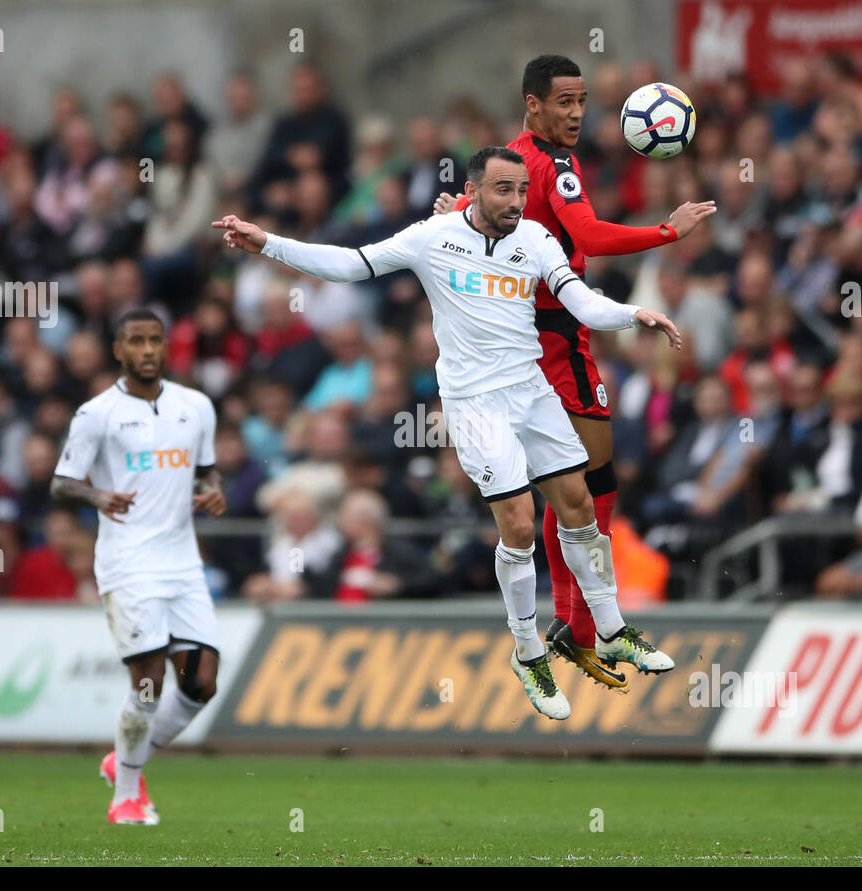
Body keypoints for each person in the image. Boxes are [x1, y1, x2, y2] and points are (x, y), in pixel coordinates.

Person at [215, 146, 679, 721]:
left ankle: (610, 630)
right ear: (475, 189)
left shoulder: (535, 239)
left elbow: (580, 302)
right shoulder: (431, 237)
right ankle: (529, 650)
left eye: (520, 191)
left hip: (532, 392)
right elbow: (349, 263)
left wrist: (635, 315)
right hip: (475, 404)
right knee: (517, 523)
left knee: (579, 503)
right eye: (503, 190)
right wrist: (269, 243)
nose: (515, 201)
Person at [431, 54, 715, 689]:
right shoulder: (553, 165)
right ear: (533, 104)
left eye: (582, 101)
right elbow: (589, 231)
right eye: (564, 101)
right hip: (553, 333)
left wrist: (459, 213)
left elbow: (498, 226)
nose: (577, 112)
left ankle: (576, 624)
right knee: (593, 481)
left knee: (578, 484)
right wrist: (670, 230)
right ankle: (580, 626)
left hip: (530, 330)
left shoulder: (510, 159)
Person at [50, 308, 226, 825]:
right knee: (147, 681)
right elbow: (62, 482)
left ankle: (127, 760)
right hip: (128, 563)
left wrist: (212, 492)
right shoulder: (96, 414)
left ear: (166, 346)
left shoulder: (195, 407)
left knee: (201, 683)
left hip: (182, 564)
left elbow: (207, 472)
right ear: (118, 351)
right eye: (136, 342)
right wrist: (98, 495)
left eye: (155, 341)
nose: (147, 350)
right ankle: (126, 796)